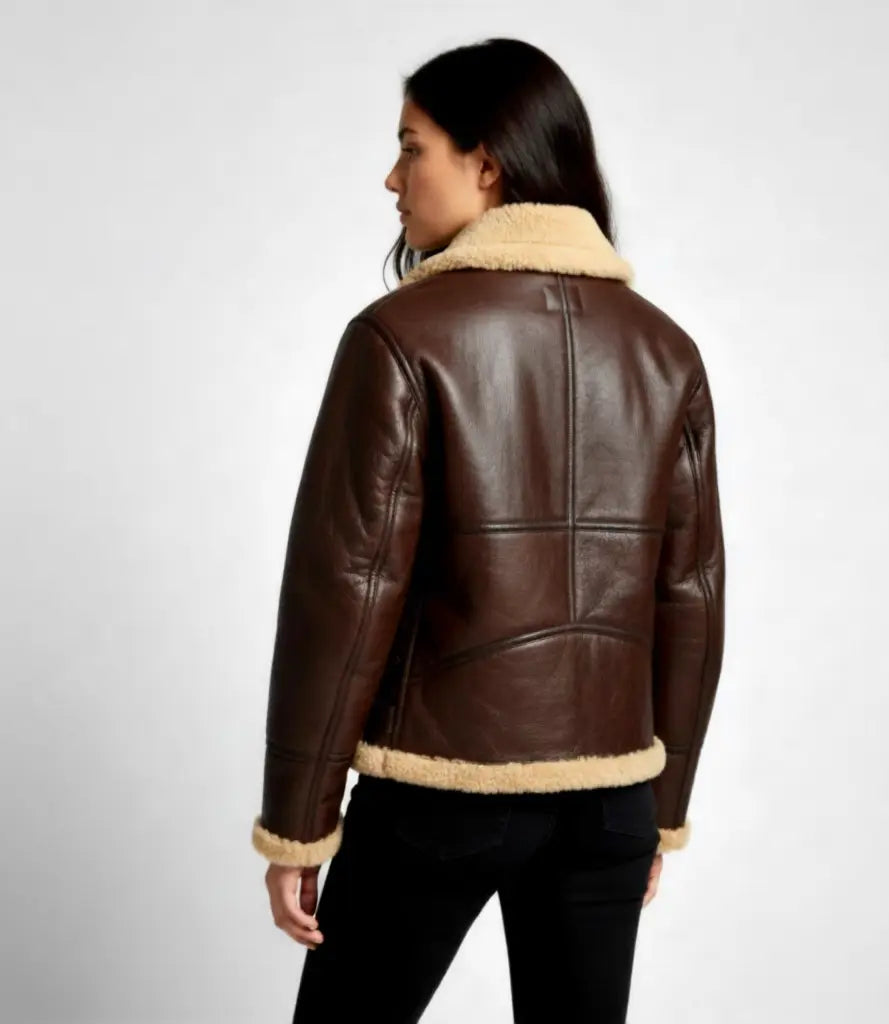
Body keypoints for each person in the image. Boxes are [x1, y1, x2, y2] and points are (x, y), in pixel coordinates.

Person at [250, 36, 726, 1024]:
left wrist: (298, 823)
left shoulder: (399, 337)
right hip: (607, 805)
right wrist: (659, 808)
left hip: (441, 793)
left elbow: (348, 589)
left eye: (410, 147)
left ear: (488, 162)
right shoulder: (666, 350)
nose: (392, 179)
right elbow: (691, 594)